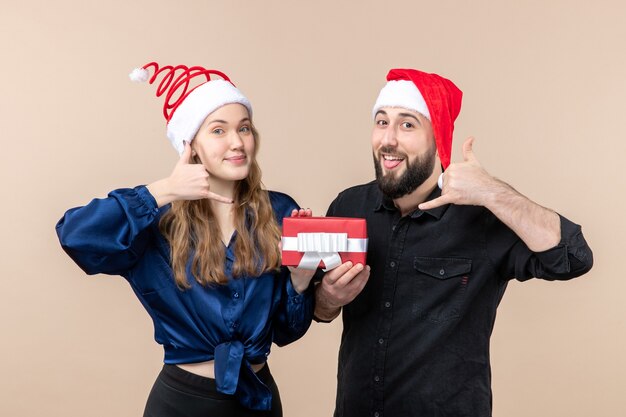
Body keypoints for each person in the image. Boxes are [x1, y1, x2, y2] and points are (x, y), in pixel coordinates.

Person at [314, 68, 594, 417]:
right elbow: (320, 310)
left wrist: (492, 192)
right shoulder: (348, 207)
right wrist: (327, 299)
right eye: (382, 122)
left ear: (438, 138)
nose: (389, 139)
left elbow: (573, 257)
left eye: (407, 124)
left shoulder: (482, 215)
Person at [56, 62, 315, 417]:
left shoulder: (281, 211)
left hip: (259, 399)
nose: (237, 141)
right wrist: (162, 191)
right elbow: (76, 236)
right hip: (182, 404)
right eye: (218, 131)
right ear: (189, 145)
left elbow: (286, 331)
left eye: (244, 128)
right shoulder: (158, 220)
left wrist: (300, 284)